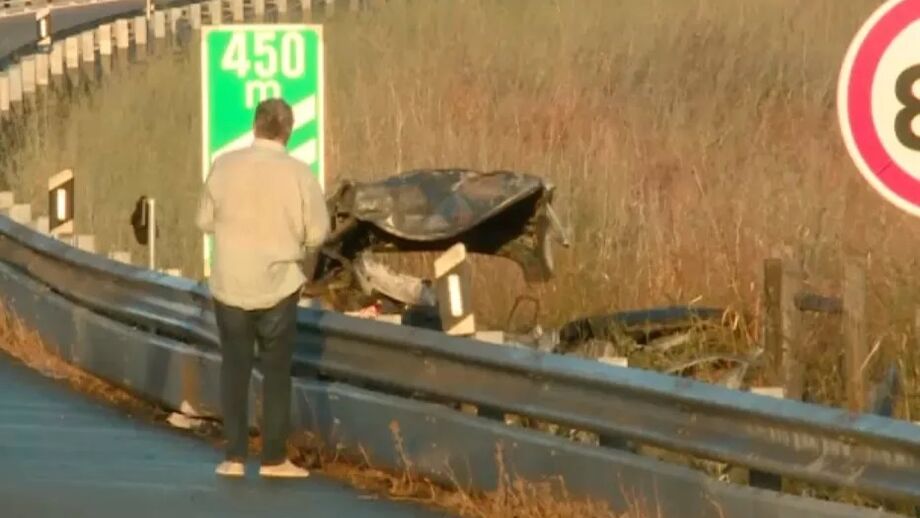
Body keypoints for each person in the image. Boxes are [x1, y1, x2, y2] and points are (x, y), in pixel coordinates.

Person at [196, 98, 330, 478]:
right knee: (276, 372)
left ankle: (234, 457)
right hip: (278, 283)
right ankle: (273, 459)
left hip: (230, 282)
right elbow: (318, 233)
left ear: (255, 126)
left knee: (235, 368)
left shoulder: (224, 166)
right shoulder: (300, 174)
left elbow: (204, 221)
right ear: (288, 131)